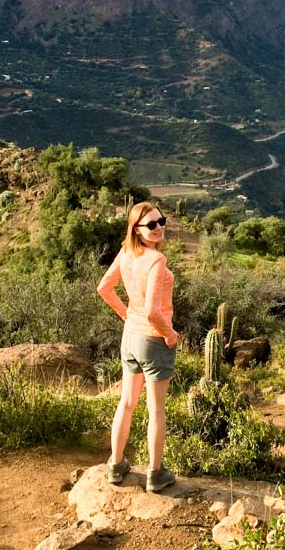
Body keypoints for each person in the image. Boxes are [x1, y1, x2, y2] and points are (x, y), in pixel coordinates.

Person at [96, 200, 179, 493]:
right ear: (137, 229)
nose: (158, 228)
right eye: (151, 225)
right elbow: (154, 312)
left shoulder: (127, 252)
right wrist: (170, 336)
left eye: (161, 221)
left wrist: (125, 315)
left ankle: (116, 466)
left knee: (127, 403)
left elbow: (104, 288)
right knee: (156, 410)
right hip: (153, 340)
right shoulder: (156, 261)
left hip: (129, 337)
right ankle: (156, 475)